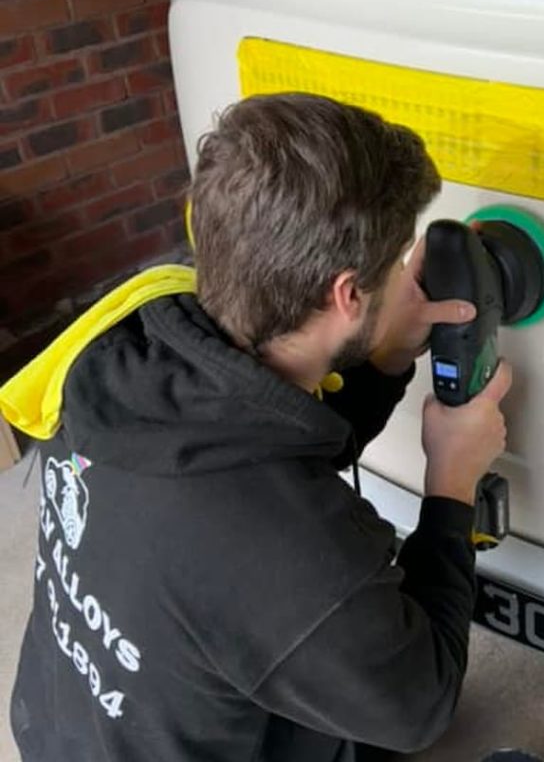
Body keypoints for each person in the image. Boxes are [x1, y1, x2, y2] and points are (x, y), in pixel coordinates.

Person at [4, 92, 512, 762]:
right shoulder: (280, 551)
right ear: (346, 294)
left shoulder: (115, 349)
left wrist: (385, 357)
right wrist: (451, 487)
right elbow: (419, 704)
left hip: (57, 733)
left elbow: (265, 446)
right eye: (393, 266)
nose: (399, 278)